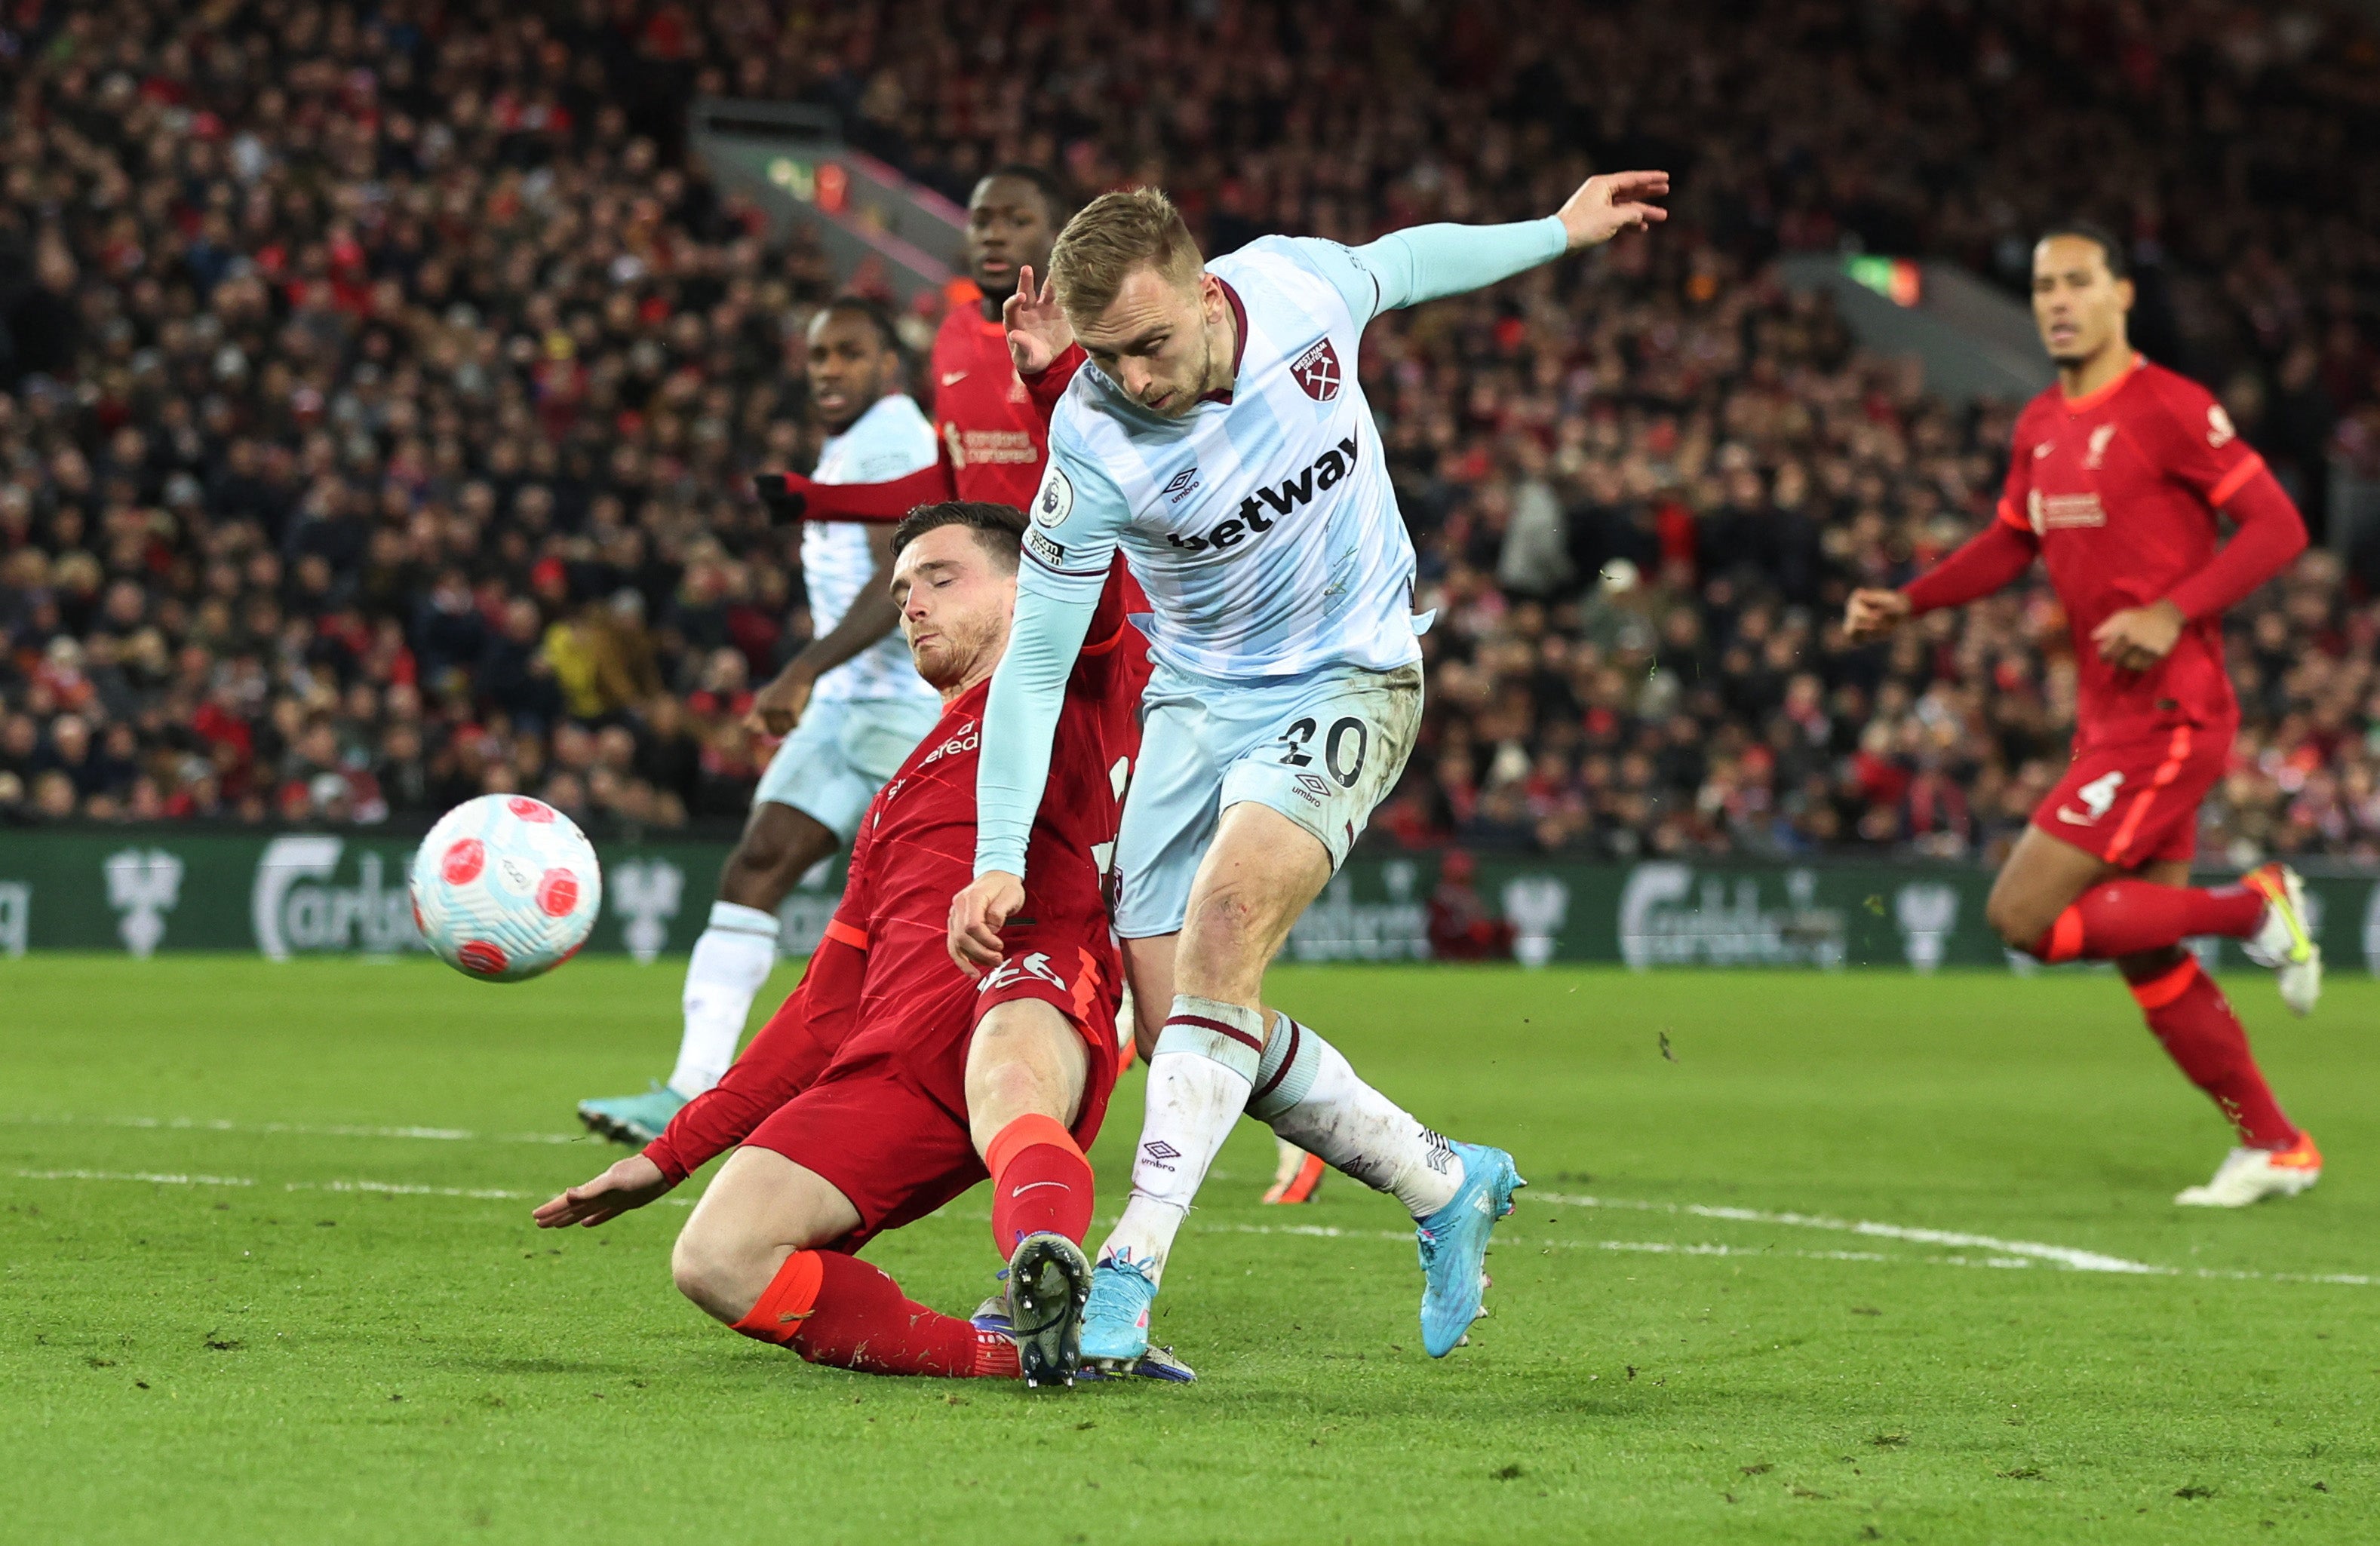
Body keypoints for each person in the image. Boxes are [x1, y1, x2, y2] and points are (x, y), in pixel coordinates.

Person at [945, 172, 1672, 1367]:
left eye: (1148, 342)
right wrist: (990, 858)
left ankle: (1128, 1271)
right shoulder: (1090, 434)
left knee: (1227, 932)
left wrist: (1553, 228)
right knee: (1180, 1021)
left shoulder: (1294, 291)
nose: (1130, 376)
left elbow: (1406, 259)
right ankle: (1441, 1179)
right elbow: (1031, 665)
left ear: (1200, 285)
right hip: (1193, 706)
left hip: (1347, 677)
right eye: (1105, 355)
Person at [538, 503, 1181, 1387]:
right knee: (716, 1258)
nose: (911, 602)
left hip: (1026, 985)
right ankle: (1027, 1351)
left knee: (1008, 1071)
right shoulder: (893, 796)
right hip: (889, 1064)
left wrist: (1052, 380)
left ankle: (1047, 1262)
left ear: (1026, 584)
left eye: (940, 578)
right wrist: (668, 1153)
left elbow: (1092, 517)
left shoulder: (1065, 681)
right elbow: (820, 1011)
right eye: (902, 588)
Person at [1844, 222, 2322, 1209]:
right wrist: (1912, 599)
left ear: (2118, 297)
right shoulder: (2038, 425)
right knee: (2146, 955)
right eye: (2041, 286)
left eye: (2075, 282)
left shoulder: (2169, 408)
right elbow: (2005, 542)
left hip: (2170, 711)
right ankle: (2272, 1144)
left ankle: (2253, 904)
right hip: (2106, 720)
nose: (2056, 300)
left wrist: (2171, 608)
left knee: (2020, 915)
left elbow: (2279, 526)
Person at [579, 299, 944, 1143]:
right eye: (818, 355)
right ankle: (690, 1088)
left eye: (849, 353)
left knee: (935, 913)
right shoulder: (853, 444)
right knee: (757, 865)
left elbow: (904, 577)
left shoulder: (894, 437)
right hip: (846, 710)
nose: (827, 369)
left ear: (887, 368)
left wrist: (803, 667)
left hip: (906, 713)